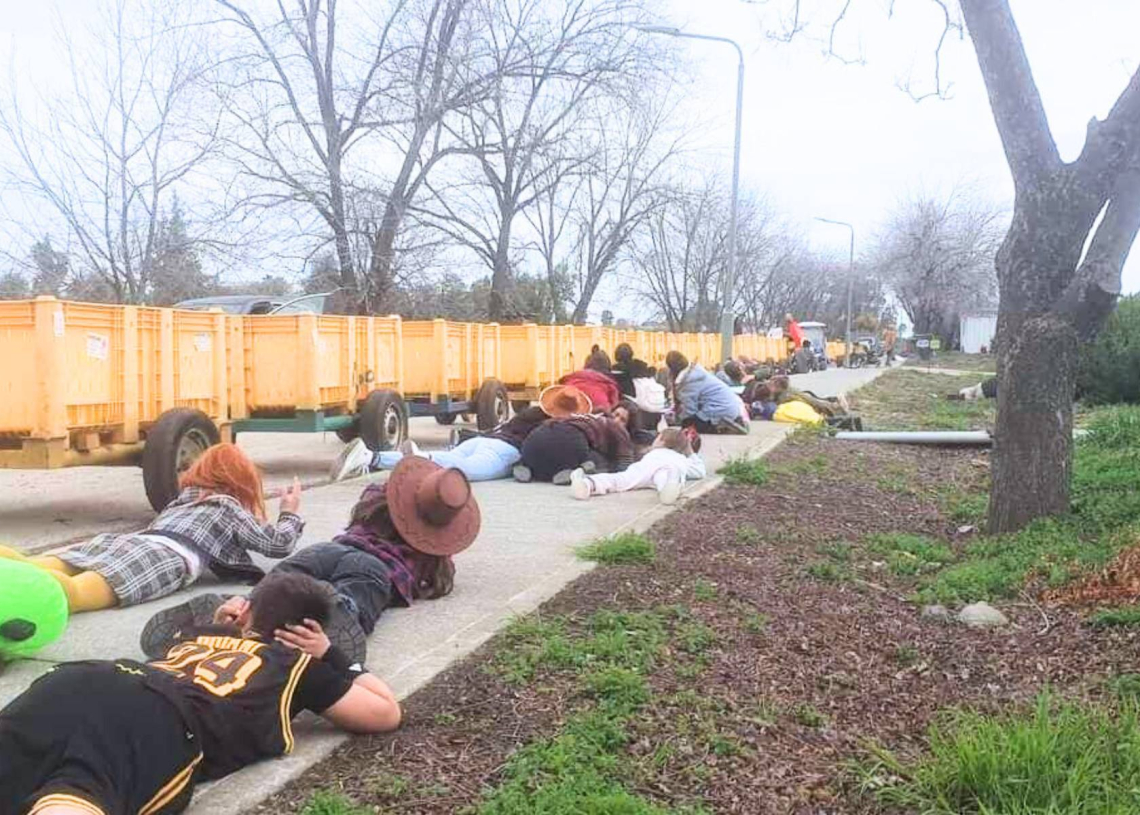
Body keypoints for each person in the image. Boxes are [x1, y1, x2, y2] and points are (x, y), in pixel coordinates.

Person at [0, 572, 400, 815]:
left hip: (80, 679)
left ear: (245, 612)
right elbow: (385, 712)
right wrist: (331, 654)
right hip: (159, 715)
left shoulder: (196, 635)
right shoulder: (297, 666)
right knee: (79, 791)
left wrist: (218, 626)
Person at [141, 456, 480, 667]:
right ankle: (336, 611)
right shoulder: (426, 555)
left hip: (329, 549)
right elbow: (438, 580)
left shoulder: (374, 506)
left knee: (280, 582)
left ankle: (242, 606)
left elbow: (377, 492)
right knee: (353, 596)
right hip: (376, 568)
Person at [0, 444, 302, 613]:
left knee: (35, 564)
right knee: (75, 594)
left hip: (125, 541)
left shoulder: (181, 501)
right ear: (241, 481)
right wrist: (288, 512)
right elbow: (276, 545)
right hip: (164, 557)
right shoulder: (228, 506)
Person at [328, 385, 586, 483]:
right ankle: (383, 458)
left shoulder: (528, 414)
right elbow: (534, 451)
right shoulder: (552, 428)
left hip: (481, 439)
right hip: (504, 452)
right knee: (460, 471)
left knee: (447, 460)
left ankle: (386, 457)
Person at [569, 427, 706, 506]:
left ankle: (588, 484)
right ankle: (669, 489)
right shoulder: (680, 459)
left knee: (620, 479)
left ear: (662, 441)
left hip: (647, 467)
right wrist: (691, 453)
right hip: (670, 468)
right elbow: (700, 472)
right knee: (667, 478)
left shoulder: (655, 453)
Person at [514, 406, 635, 484]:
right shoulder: (616, 428)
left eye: (623, 419)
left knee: (541, 451)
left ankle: (526, 466)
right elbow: (625, 463)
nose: (617, 420)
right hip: (570, 440)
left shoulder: (580, 416)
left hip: (535, 438)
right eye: (616, 415)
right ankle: (576, 472)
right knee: (599, 460)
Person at [665, 351, 750, 435]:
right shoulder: (696, 372)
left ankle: (721, 427)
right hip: (729, 407)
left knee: (690, 425)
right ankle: (729, 421)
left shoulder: (688, 382)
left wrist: (681, 421)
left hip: (719, 410)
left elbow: (690, 410)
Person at [558, 346, 621, 413]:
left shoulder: (570, 380)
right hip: (598, 420)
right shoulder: (610, 386)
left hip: (565, 416)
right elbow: (614, 410)